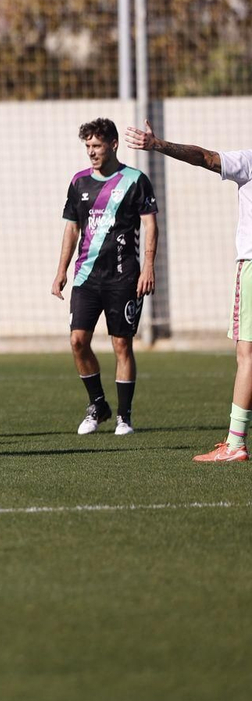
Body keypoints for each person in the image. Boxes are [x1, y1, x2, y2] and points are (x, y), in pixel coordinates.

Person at [123, 121, 251, 462]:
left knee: (247, 355)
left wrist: (158, 145)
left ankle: (235, 444)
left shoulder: (249, 161)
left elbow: (205, 157)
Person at [52, 118, 157, 436]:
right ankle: (97, 403)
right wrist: (60, 271)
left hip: (124, 277)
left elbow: (150, 225)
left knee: (122, 344)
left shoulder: (136, 180)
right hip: (86, 276)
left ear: (113, 144)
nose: (91, 152)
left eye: (96, 146)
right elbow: (71, 228)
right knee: (77, 341)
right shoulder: (79, 182)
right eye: (87, 147)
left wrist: (148, 266)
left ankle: (124, 417)